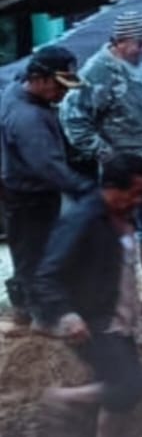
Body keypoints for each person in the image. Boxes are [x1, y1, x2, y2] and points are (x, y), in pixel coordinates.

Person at [32, 152, 142, 437]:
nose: (140, 200)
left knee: (119, 387)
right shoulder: (83, 219)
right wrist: (67, 314)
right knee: (130, 385)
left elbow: (119, 265)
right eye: (135, 192)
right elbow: (45, 275)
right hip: (94, 321)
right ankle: (62, 398)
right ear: (112, 188)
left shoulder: (123, 214)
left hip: (120, 316)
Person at [62, 10, 142, 295]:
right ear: (119, 42)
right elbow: (73, 117)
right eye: (139, 43)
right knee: (115, 226)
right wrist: (104, 154)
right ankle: (111, 288)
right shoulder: (97, 71)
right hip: (123, 168)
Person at [1, 46, 91, 328]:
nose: (63, 94)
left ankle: (22, 308)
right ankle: (45, 318)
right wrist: (85, 188)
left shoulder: (15, 88)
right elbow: (48, 167)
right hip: (31, 194)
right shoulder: (30, 119)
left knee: (25, 251)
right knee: (37, 255)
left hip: (15, 187)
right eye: (58, 86)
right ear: (39, 79)